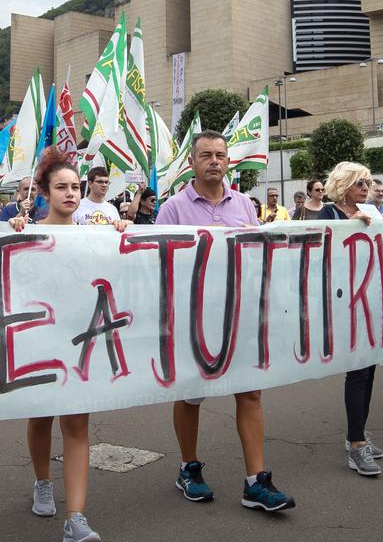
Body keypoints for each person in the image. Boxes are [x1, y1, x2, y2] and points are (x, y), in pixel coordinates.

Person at [156, 131, 294, 513]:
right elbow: (158, 261)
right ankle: (189, 468)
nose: (214, 161)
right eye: (206, 155)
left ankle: (256, 481)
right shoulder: (173, 209)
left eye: (220, 155)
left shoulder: (245, 206)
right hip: (192, 315)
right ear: (192, 162)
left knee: (250, 392)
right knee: (191, 393)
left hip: (240, 313)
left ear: (229, 161)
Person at [10, 149, 127, 542]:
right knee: (41, 417)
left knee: (77, 423)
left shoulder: (99, 235)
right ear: (44, 191)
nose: (71, 193)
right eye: (62, 186)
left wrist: (126, 236)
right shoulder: (24, 231)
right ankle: (43, 481)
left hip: (83, 341)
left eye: (76, 187)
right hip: (39, 339)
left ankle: (76, 517)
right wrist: (11, 233)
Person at [319, 162, 383, 476]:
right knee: (358, 371)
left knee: (369, 369)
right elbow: (321, 255)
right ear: (344, 185)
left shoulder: (372, 213)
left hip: (371, 300)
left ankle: (357, 432)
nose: (366, 188)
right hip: (344, 304)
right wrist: (351, 228)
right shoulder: (329, 215)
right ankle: (356, 445)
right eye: (360, 182)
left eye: (368, 183)